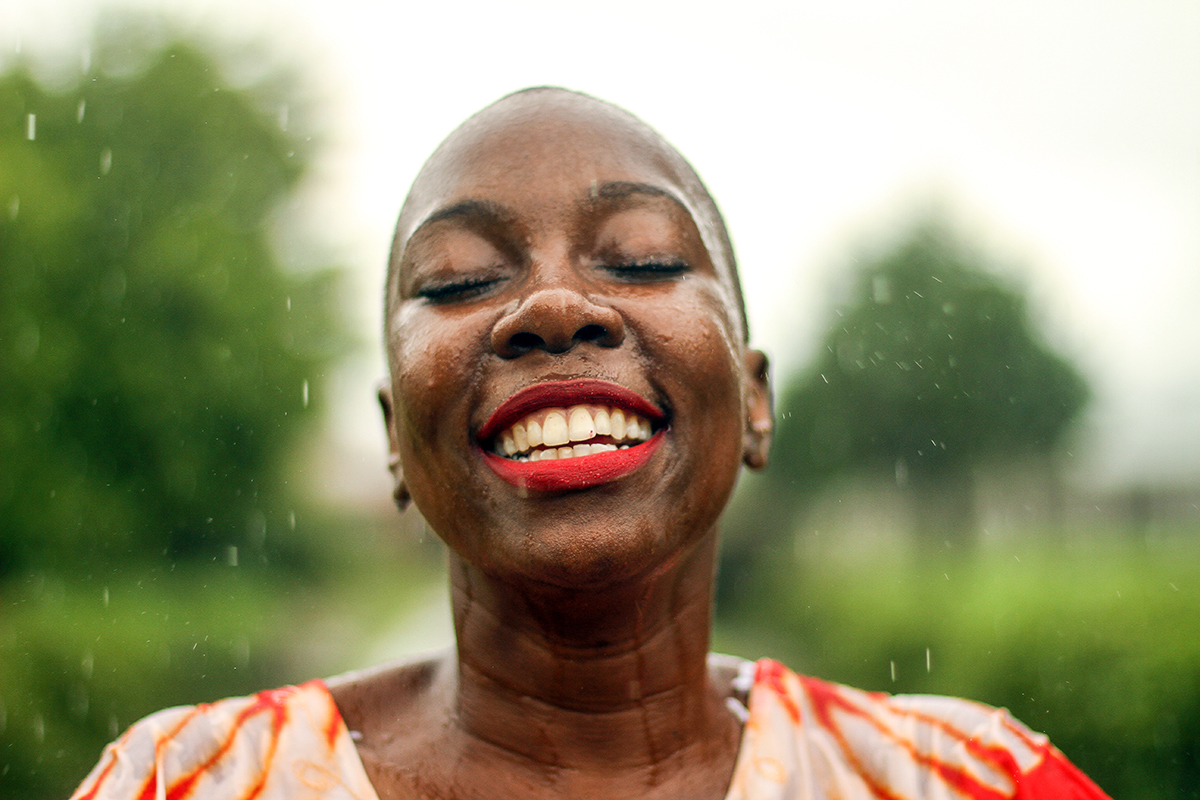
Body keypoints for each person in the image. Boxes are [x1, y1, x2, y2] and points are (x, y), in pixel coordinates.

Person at [71, 88, 1111, 800]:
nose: (554, 304)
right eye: (458, 279)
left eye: (645, 259)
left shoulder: (969, 777)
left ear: (754, 403)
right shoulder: (186, 779)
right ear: (395, 439)